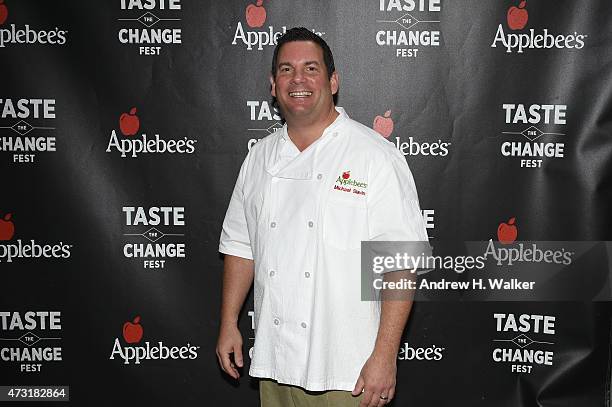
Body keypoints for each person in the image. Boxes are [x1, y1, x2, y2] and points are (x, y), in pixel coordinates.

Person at [216, 27, 429, 407]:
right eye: (286, 70)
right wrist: (229, 321)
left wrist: (385, 356)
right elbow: (240, 245)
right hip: (274, 362)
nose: (298, 79)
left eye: (311, 68)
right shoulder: (259, 158)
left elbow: (400, 262)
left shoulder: (373, 155)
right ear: (272, 84)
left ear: (333, 82)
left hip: (349, 371)